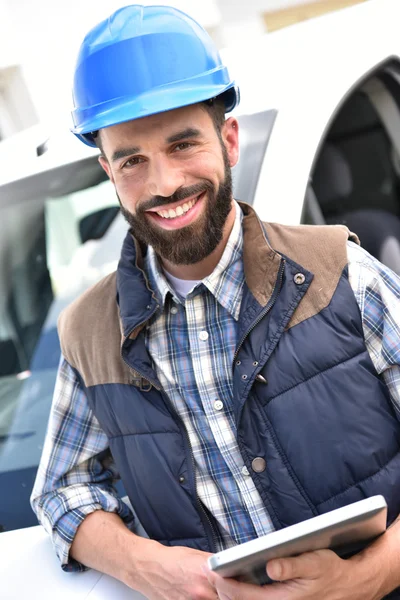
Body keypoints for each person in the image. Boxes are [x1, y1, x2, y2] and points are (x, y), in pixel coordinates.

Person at [31, 5, 400, 600]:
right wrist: (142, 563)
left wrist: (366, 577)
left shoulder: (343, 274)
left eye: (183, 145)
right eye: (133, 160)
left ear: (229, 139)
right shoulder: (89, 336)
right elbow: (60, 493)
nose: (165, 184)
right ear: (109, 171)